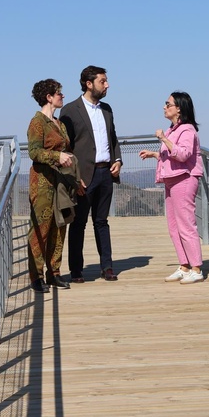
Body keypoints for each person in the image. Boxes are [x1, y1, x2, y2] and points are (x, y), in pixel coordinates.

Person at [60, 66, 122, 282]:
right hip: (83, 177)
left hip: (106, 173)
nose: (107, 85)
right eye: (102, 81)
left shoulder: (107, 109)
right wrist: (74, 177)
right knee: (78, 224)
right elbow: (66, 147)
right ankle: (76, 270)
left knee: (101, 222)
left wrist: (118, 160)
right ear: (89, 84)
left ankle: (107, 267)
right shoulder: (70, 110)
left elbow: (113, 138)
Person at [139, 92, 204, 284]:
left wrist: (163, 139)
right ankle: (184, 266)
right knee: (174, 226)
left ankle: (196, 269)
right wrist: (154, 154)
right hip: (171, 180)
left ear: (179, 108)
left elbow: (183, 155)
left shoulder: (187, 130)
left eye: (168, 104)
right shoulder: (173, 130)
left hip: (184, 180)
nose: (164, 107)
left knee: (186, 224)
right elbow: (171, 155)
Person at [27, 79, 77, 293]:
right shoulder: (37, 122)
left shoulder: (59, 123)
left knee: (60, 225)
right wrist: (57, 156)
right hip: (43, 182)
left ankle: (54, 272)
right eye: (59, 93)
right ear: (48, 97)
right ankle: (36, 276)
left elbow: (68, 150)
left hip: (61, 181)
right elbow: (34, 152)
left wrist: (77, 178)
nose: (62, 96)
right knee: (41, 228)